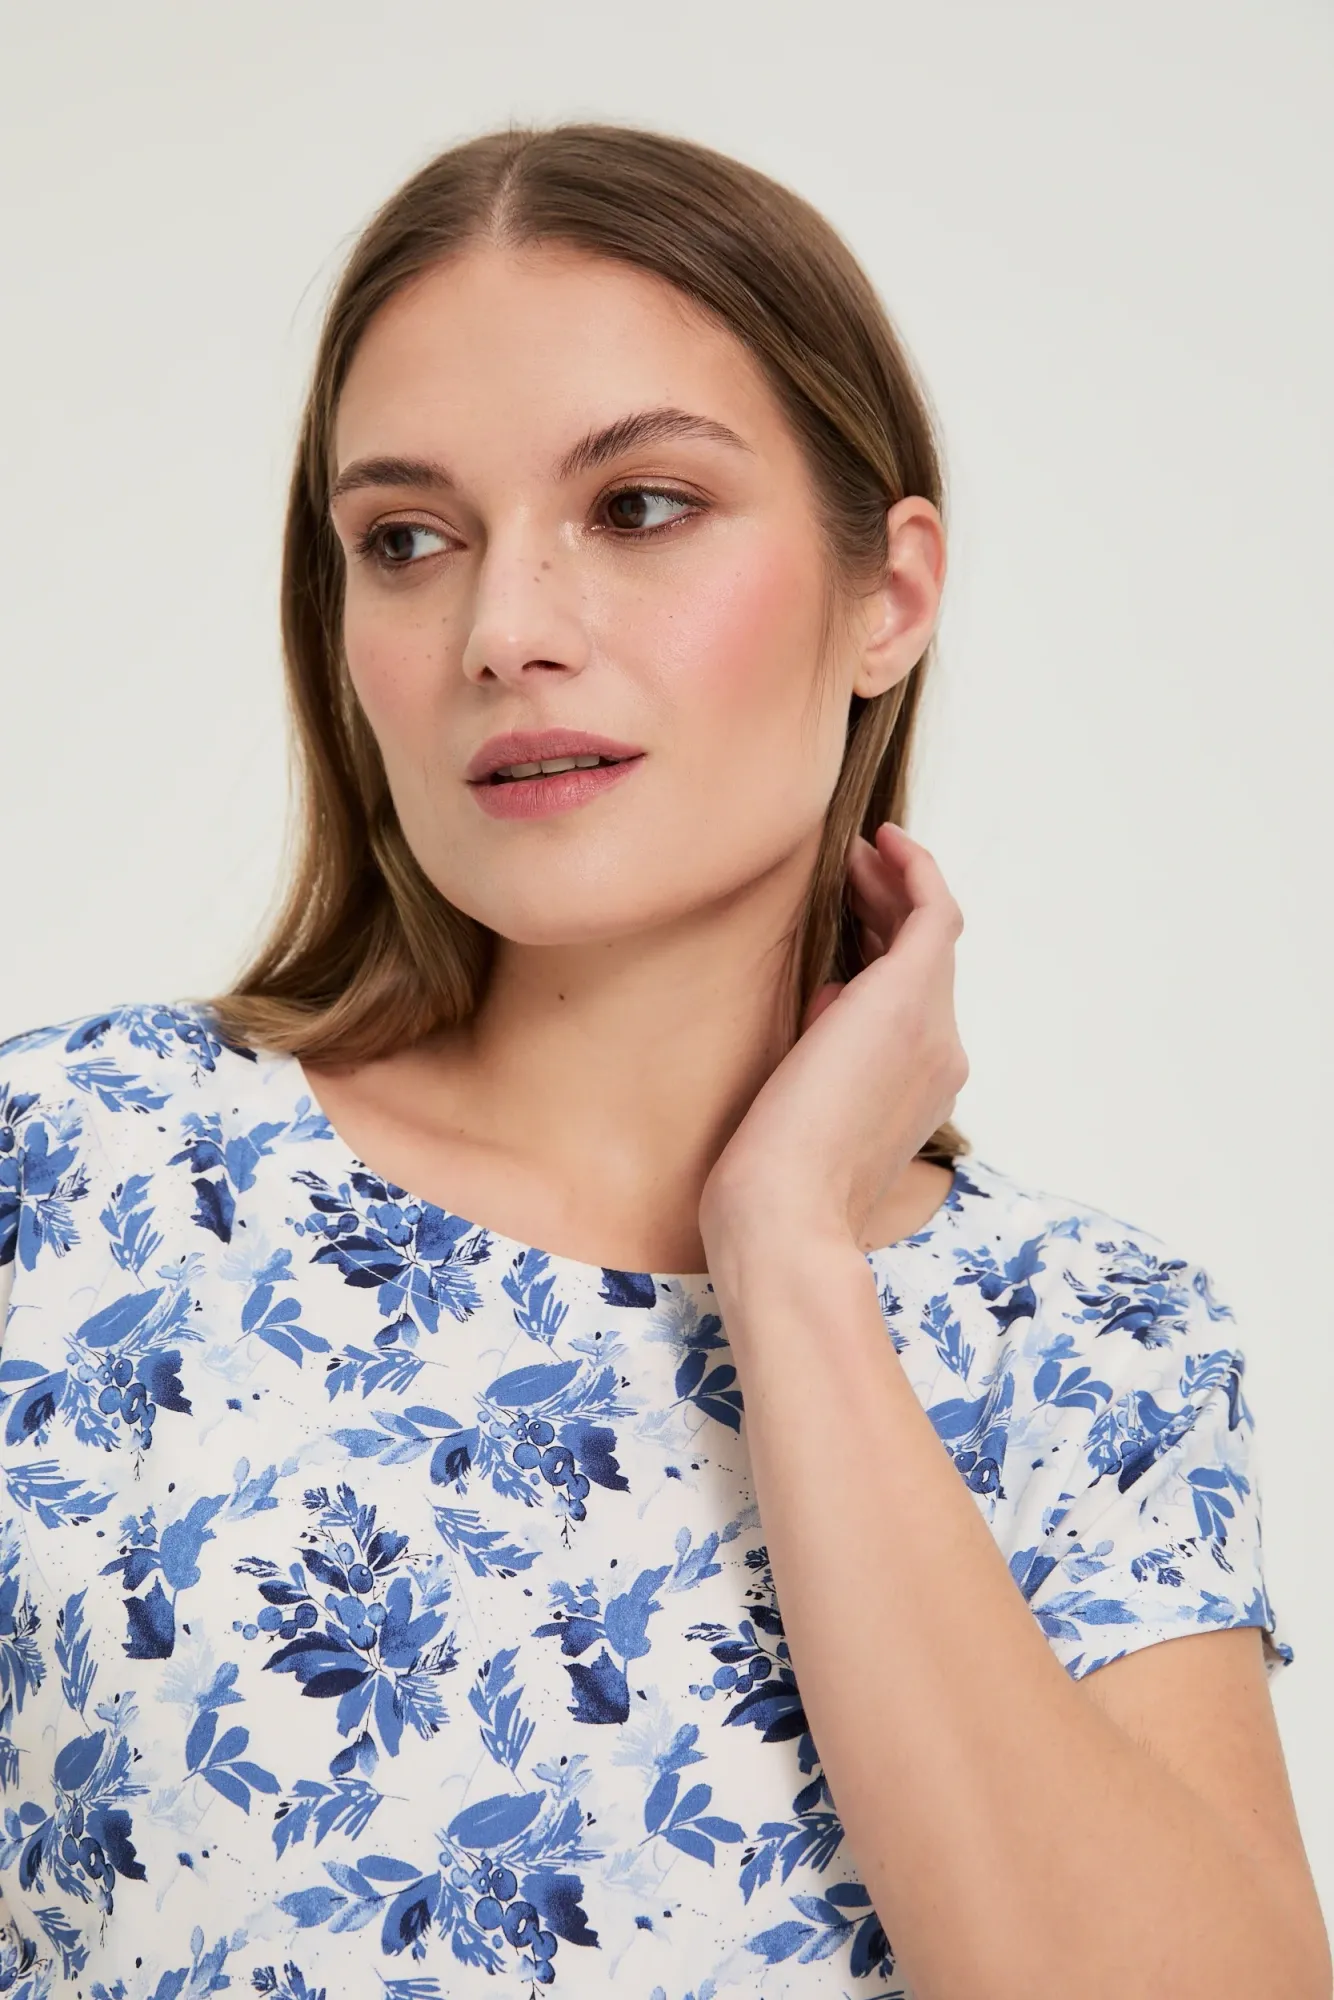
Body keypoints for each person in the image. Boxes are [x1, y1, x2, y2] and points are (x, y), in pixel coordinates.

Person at [0, 122, 1325, 2000]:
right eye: (405, 541)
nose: (503, 632)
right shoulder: (72, 1179)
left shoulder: (1084, 1349)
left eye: (636, 507)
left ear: (886, 597)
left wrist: (782, 1245)